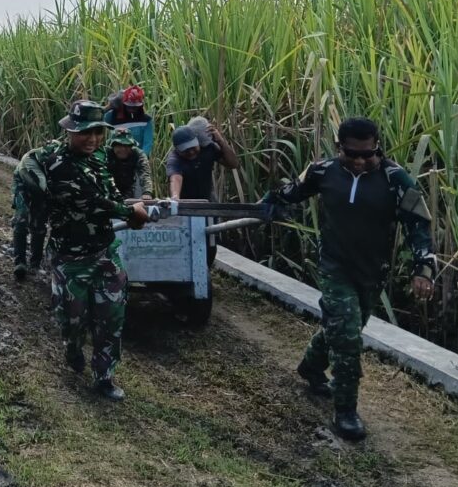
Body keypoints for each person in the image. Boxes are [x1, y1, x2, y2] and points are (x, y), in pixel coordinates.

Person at [258, 117, 436, 442]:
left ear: (377, 148)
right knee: (348, 336)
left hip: (372, 272)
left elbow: (419, 224)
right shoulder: (322, 171)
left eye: (367, 154)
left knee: (343, 328)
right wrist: (269, 203)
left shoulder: (397, 180)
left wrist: (423, 269)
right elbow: (291, 191)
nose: (359, 161)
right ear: (339, 148)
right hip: (334, 265)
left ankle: (311, 367)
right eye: (352, 154)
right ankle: (346, 410)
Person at [19, 100, 154, 401]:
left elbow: (110, 188)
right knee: (72, 320)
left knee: (112, 316)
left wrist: (135, 201)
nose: (92, 139)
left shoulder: (99, 156)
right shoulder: (59, 163)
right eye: (84, 133)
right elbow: (93, 200)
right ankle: (72, 348)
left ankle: (104, 376)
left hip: (105, 252)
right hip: (71, 259)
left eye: (97, 132)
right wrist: (131, 213)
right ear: (69, 132)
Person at [166, 118, 239, 266]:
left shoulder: (208, 149)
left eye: (193, 147)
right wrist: (175, 197)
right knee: (186, 240)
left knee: (210, 242)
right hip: (187, 205)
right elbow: (175, 179)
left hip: (207, 202)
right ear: (178, 150)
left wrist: (221, 141)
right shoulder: (174, 159)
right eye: (186, 150)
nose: (191, 152)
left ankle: (205, 271)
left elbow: (233, 164)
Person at [10, 137, 61, 279]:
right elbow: (40, 186)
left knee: (39, 226)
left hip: (43, 190)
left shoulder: (60, 161)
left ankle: (35, 263)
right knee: (21, 220)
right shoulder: (29, 160)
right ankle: (19, 262)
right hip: (24, 185)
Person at [103, 85, 154, 155]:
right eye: (129, 107)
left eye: (135, 107)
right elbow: (96, 118)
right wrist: (110, 106)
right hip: (116, 159)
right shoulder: (112, 117)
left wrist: (142, 158)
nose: (132, 110)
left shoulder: (146, 121)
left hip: (137, 158)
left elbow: (147, 143)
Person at [108, 129, 153, 199]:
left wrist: (147, 192)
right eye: (119, 145)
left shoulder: (138, 154)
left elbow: (145, 173)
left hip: (128, 189)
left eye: (127, 145)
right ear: (112, 145)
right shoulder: (105, 153)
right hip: (107, 188)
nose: (123, 149)